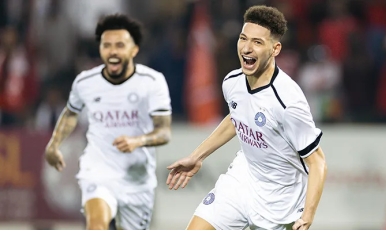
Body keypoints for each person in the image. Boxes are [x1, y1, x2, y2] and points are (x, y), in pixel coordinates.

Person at [166, 5, 327, 230]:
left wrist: (307, 216)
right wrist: (197, 156)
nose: (247, 48)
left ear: (275, 49)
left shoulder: (288, 102)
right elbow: (237, 118)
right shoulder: (232, 82)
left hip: (279, 200)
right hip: (242, 179)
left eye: (258, 42)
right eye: (243, 38)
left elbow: (317, 162)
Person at [44, 14, 172, 230]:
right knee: (96, 225)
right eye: (107, 45)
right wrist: (54, 144)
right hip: (98, 171)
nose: (112, 51)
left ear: (134, 50)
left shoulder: (152, 82)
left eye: (120, 45)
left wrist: (138, 141)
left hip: (136, 178)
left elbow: (164, 132)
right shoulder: (85, 82)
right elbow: (70, 114)